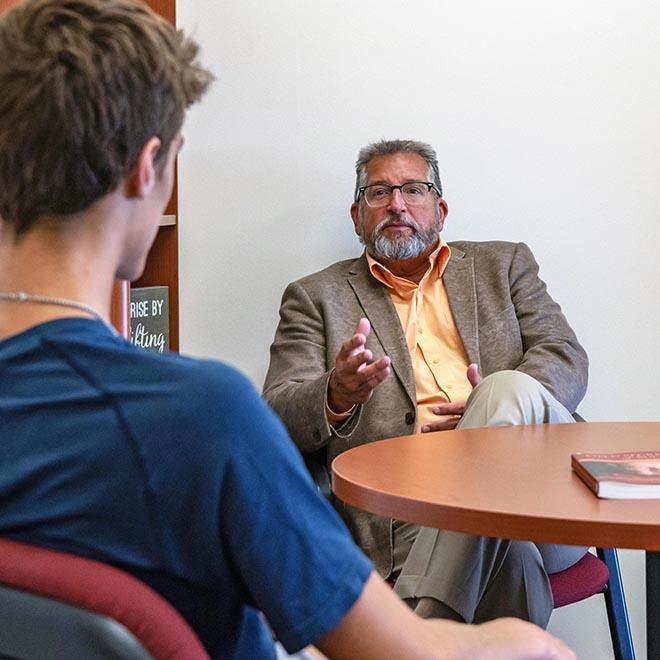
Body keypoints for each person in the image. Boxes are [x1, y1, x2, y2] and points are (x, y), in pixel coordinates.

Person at [0, 2, 575, 659]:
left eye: (413, 191)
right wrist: (529, 644)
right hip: (384, 562)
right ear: (146, 166)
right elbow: (405, 654)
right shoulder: (199, 417)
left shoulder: (503, 266)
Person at [263, 139, 590, 629]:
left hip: (541, 501)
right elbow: (276, 414)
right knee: (509, 552)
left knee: (503, 391)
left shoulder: (505, 264)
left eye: (413, 189)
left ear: (440, 209)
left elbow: (565, 356)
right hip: (407, 521)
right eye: (378, 193)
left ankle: (419, 628)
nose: (396, 203)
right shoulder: (315, 297)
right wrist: (335, 394)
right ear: (357, 216)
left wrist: (487, 415)